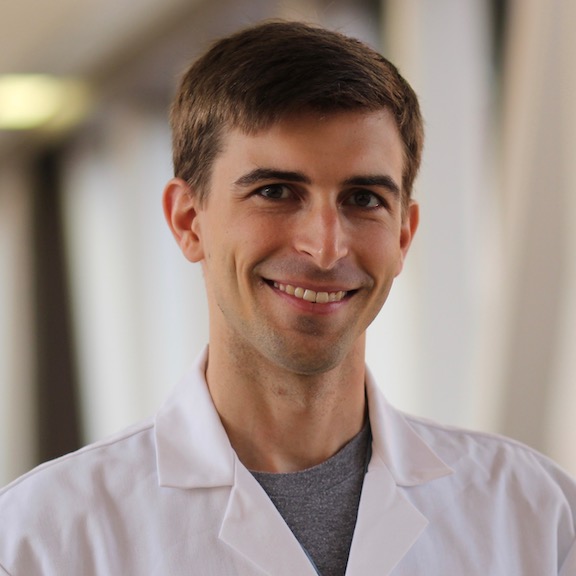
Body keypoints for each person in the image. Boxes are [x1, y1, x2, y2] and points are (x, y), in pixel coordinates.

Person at [0, 20, 575, 576]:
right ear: (188, 221)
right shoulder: (40, 539)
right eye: (275, 192)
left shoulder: (539, 518)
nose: (325, 248)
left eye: (364, 199)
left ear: (404, 235)